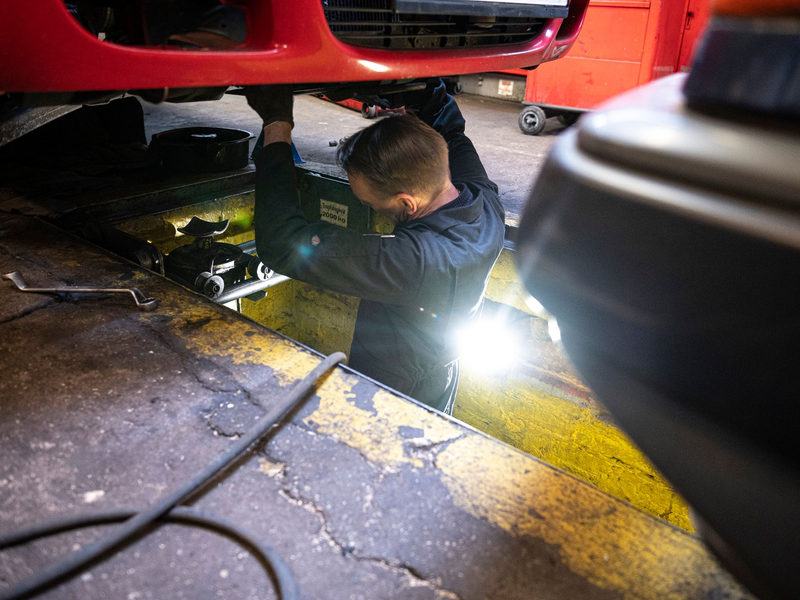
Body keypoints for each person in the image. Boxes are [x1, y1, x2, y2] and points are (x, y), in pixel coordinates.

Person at [246, 80, 505, 415]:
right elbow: (449, 128)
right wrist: (410, 84)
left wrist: (277, 125)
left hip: (397, 393)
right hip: (441, 369)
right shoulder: (484, 203)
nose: (368, 206)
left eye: (370, 203)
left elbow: (282, 241)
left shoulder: (414, 262)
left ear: (406, 203)